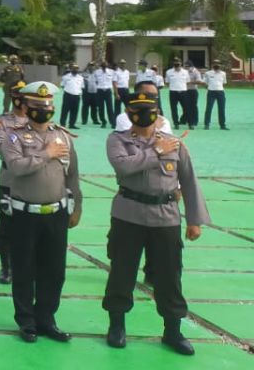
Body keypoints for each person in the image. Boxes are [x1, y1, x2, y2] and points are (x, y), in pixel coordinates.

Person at [103, 86, 211, 355]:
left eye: (149, 111)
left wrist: (194, 220)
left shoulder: (174, 143)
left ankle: (172, 330)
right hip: (128, 214)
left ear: (157, 113)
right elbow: (125, 167)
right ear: (129, 113)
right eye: (137, 111)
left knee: (169, 275)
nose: (143, 116)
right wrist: (156, 153)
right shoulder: (118, 140)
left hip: (165, 217)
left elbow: (188, 180)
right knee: (122, 272)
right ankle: (117, 325)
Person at [0, 81, 82, 343]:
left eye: (47, 106)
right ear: (27, 107)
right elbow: (16, 167)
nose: (43, 110)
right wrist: (45, 154)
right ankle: (26, 321)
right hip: (25, 213)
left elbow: (73, 175)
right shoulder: (14, 136)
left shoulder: (63, 137)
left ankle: (47, 319)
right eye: (37, 106)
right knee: (24, 269)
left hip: (56, 213)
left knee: (54, 270)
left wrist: (77, 205)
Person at [0, 81, 28, 284]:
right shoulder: (2, 122)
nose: (21, 100)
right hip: (9, 180)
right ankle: (6, 266)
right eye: (17, 95)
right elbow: (1, 147)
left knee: (30, 224)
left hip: (33, 181)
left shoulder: (40, 121)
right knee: (6, 223)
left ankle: (26, 265)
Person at [165, 58, 190, 129]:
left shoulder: (185, 72)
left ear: (181, 63)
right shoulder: (169, 72)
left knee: (186, 108)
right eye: (175, 63)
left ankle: (189, 123)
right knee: (174, 109)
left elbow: (187, 81)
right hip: (173, 92)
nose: (177, 64)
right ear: (173, 64)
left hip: (183, 92)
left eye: (178, 63)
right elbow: (167, 82)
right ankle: (176, 123)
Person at [204, 60, 227, 129]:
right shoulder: (208, 73)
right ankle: (207, 124)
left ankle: (222, 125)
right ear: (212, 65)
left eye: (218, 63)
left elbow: (224, 83)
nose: (216, 65)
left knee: (221, 109)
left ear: (220, 65)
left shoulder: (223, 73)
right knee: (209, 108)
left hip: (220, 92)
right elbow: (206, 83)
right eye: (215, 63)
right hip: (211, 92)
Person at [60, 65, 84, 129]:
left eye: (76, 69)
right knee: (65, 110)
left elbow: (81, 87)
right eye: (74, 69)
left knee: (75, 111)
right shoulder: (66, 77)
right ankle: (62, 124)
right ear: (71, 69)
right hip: (68, 95)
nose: (75, 70)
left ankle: (72, 124)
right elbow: (62, 85)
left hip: (76, 96)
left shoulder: (81, 78)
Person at [94, 61, 115, 128]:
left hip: (108, 91)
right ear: (101, 66)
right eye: (103, 66)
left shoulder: (111, 72)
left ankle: (112, 122)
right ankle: (103, 122)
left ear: (107, 66)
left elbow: (113, 81)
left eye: (105, 66)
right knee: (101, 108)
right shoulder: (97, 72)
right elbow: (96, 81)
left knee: (110, 107)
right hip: (100, 91)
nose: (104, 67)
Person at [83, 61, 99, 126]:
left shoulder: (97, 74)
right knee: (85, 107)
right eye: (90, 65)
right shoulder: (84, 74)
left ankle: (95, 120)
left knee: (94, 107)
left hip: (95, 93)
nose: (91, 67)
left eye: (92, 65)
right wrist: (85, 68)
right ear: (88, 66)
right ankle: (84, 120)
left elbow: (98, 82)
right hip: (87, 93)